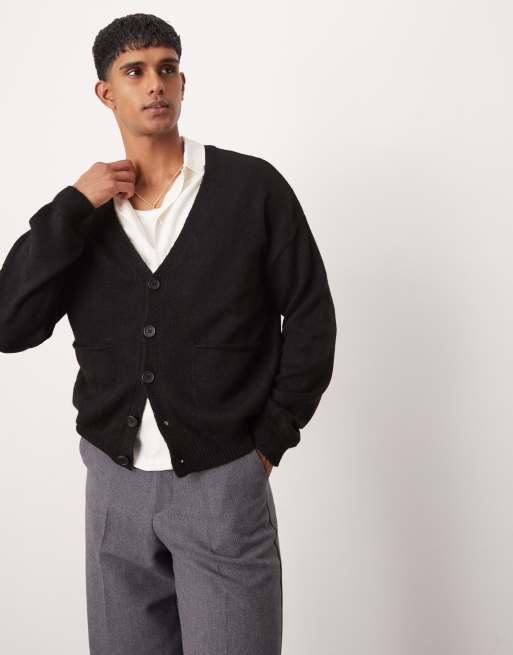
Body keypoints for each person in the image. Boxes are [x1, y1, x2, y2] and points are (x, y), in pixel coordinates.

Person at [0, 12, 337, 655]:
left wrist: (267, 444)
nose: (155, 83)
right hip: (114, 487)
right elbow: (10, 325)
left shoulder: (252, 189)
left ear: (183, 82)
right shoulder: (85, 217)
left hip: (223, 481)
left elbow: (311, 318)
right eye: (135, 71)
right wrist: (71, 206)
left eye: (167, 68)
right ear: (106, 93)